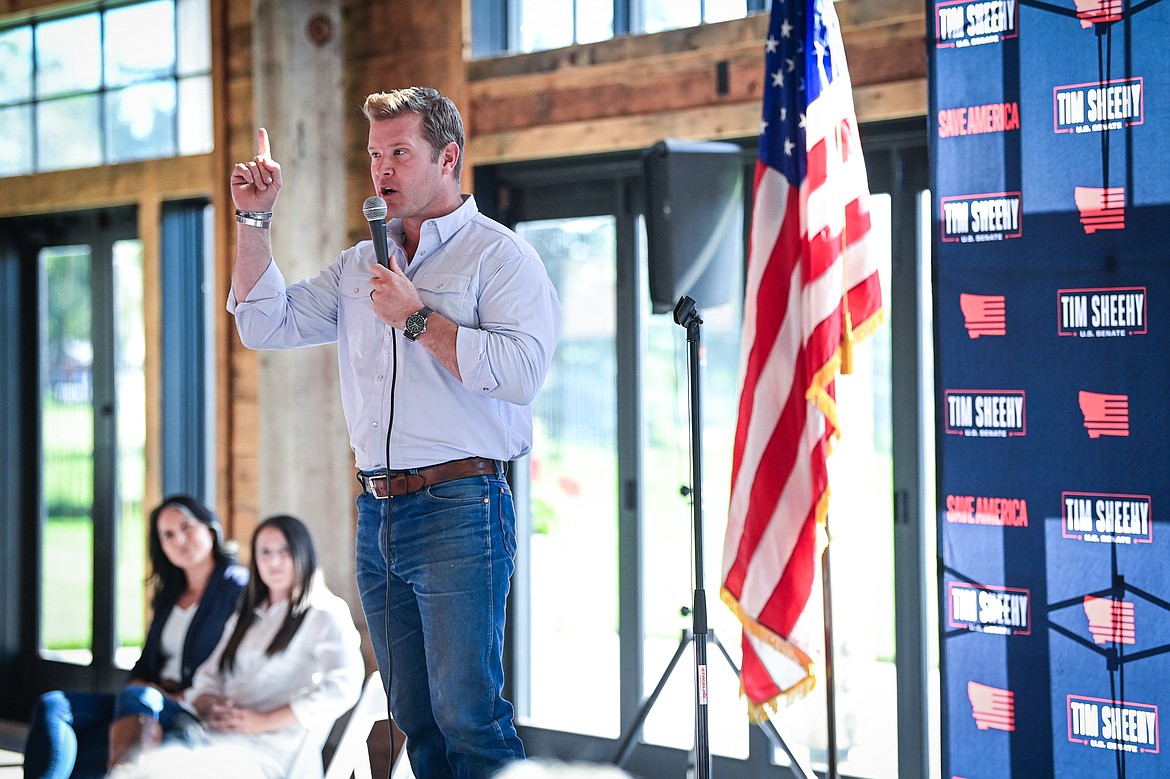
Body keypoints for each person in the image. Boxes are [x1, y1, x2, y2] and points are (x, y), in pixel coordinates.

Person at [226, 86, 561, 778]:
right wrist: (253, 220)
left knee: (469, 714)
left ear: (449, 159)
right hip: (377, 509)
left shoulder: (498, 259)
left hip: (461, 509)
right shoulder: (359, 266)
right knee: (414, 717)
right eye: (376, 154)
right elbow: (265, 323)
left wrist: (417, 318)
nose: (382, 169)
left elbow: (522, 373)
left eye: (400, 152)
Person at [112, 514, 365, 778]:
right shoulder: (247, 615)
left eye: (284, 551)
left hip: (270, 750)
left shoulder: (324, 612)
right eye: (264, 552)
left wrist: (261, 721)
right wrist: (211, 705)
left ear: (304, 553)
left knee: (153, 768)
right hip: (214, 735)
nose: (274, 561)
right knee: (135, 755)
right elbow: (208, 676)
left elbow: (343, 687)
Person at [23, 495, 248, 778]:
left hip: (192, 707)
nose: (180, 539)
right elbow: (144, 668)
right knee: (53, 705)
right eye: (168, 534)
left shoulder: (237, 588)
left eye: (186, 526)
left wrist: (168, 693)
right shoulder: (170, 597)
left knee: (133, 702)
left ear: (210, 528)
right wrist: (147, 687)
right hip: (147, 701)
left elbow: (238, 662)